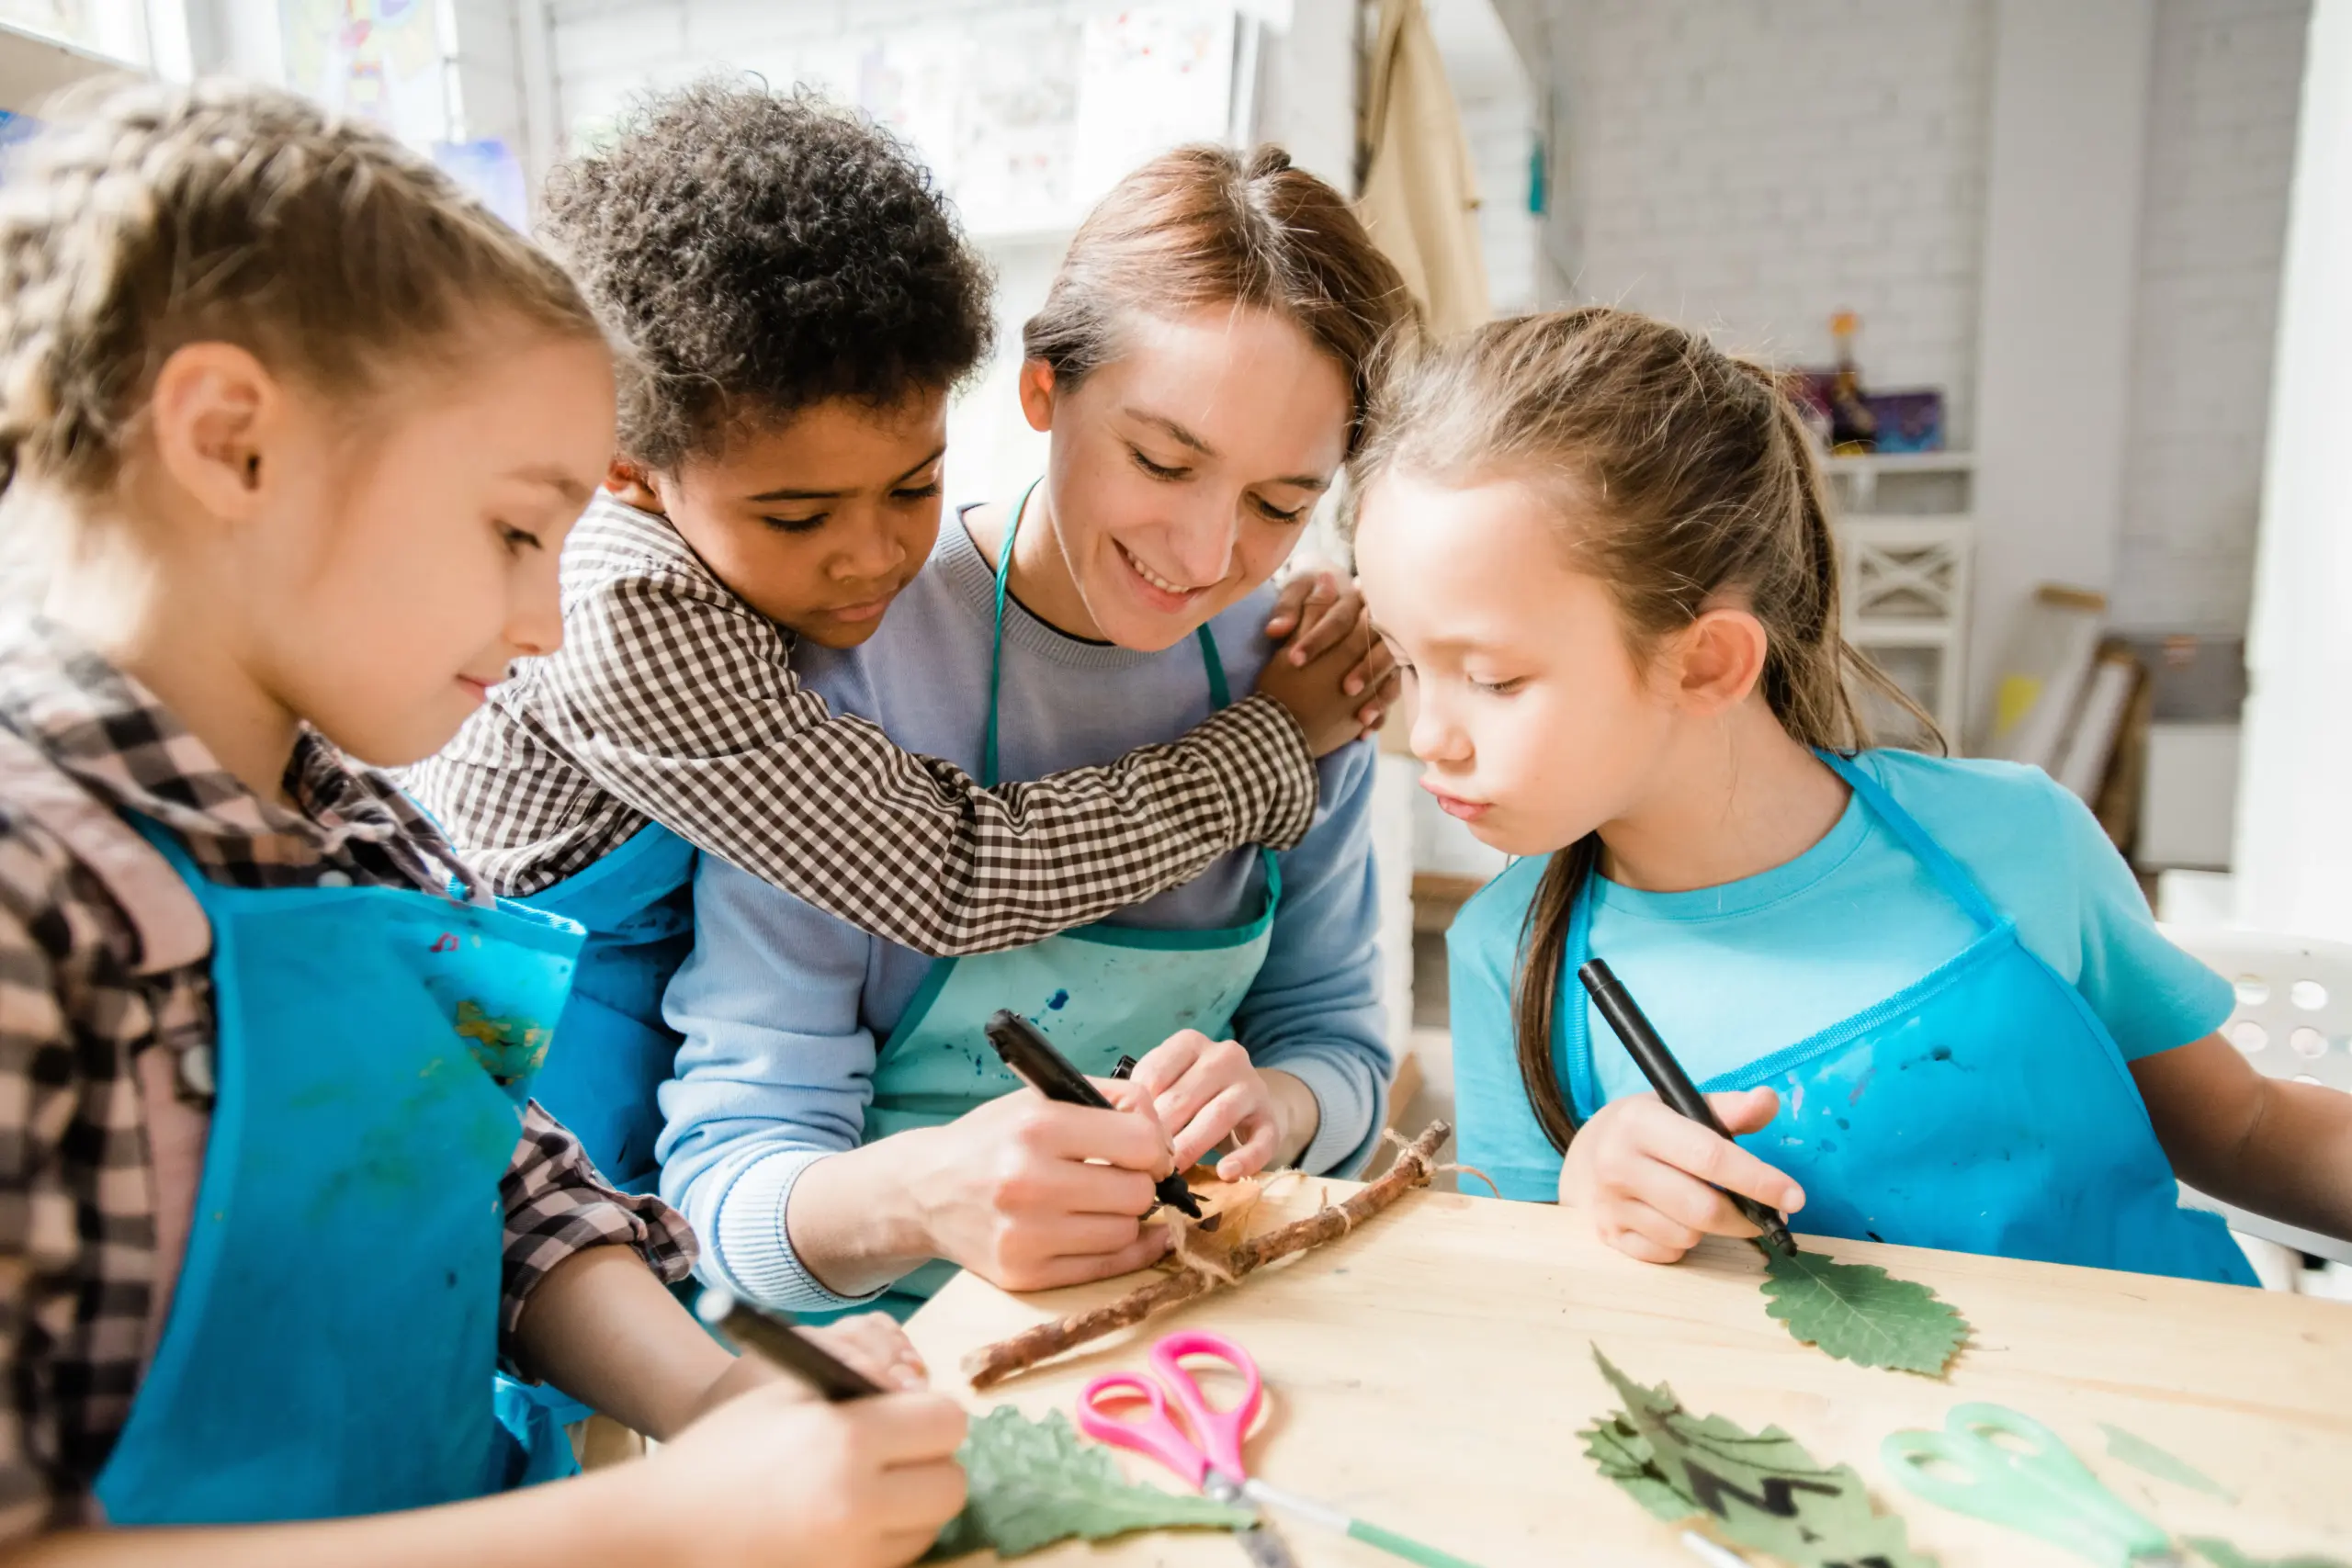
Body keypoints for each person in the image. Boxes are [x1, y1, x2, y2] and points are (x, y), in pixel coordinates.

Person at [0, 79, 964, 1564]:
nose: (538, 619)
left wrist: (719, 1400)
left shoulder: (364, 834)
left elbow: (503, 1189)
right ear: (230, 440)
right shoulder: (31, 893)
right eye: (517, 530)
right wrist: (658, 1522)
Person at [404, 85, 1392, 1201]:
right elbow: (951, 874)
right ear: (627, 468)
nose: (872, 558)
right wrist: (1267, 750)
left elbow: (1338, 1039)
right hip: (514, 1068)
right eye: (796, 517)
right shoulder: (636, 616)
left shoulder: (1290, 640)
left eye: (914, 484)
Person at [1352, 306, 2352, 1285]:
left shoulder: (2016, 838)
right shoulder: (1509, 955)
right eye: (1403, 663)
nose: (1426, 735)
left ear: (1705, 664)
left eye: (1491, 679)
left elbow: (2245, 1126)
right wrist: (1589, 1209)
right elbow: (1521, 1297)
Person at [659, 144, 1413, 1318]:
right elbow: (716, 1200)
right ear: (1042, 390)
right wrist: (917, 1200)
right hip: (884, 1349)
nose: (1207, 556)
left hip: (1186, 1321)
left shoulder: (1307, 670)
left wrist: (1280, 1105)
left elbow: (1347, 1058)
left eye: (1281, 503)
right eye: (1163, 461)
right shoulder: (838, 664)